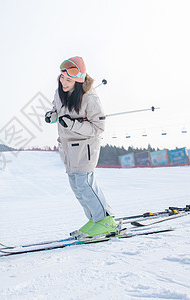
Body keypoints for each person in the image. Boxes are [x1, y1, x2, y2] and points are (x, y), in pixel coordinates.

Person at [45, 56, 116, 238]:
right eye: (62, 77)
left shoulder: (90, 97)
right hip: (68, 147)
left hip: (86, 147)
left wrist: (72, 125)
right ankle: (94, 219)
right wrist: (53, 115)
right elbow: (57, 108)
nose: (63, 82)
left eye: (68, 80)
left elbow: (98, 127)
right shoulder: (59, 93)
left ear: (78, 81)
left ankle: (106, 221)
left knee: (85, 184)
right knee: (76, 186)